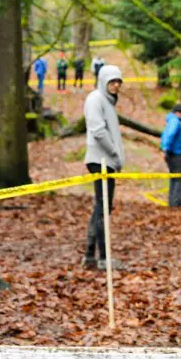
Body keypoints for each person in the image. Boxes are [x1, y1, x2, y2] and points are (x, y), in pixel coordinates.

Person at [82, 65, 127, 271]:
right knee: (102, 208)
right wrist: (115, 154)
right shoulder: (95, 99)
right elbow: (98, 130)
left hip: (108, 162)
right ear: (103, 81)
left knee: (102, 207)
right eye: (112, 81)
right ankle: (103, 258)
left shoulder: (109, 103)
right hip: (100, 160)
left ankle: (90, 255)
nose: (116, 85)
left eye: (118, 81)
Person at [161, 103, 181, 208]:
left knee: (174, 177)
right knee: (180, 178)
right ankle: (175, 202)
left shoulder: (172, 120)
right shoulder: (175, 122)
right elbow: (170, 135)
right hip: (173, 154)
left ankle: (172, 201)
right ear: (177, 112)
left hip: (172, 152)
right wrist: (166, 149)